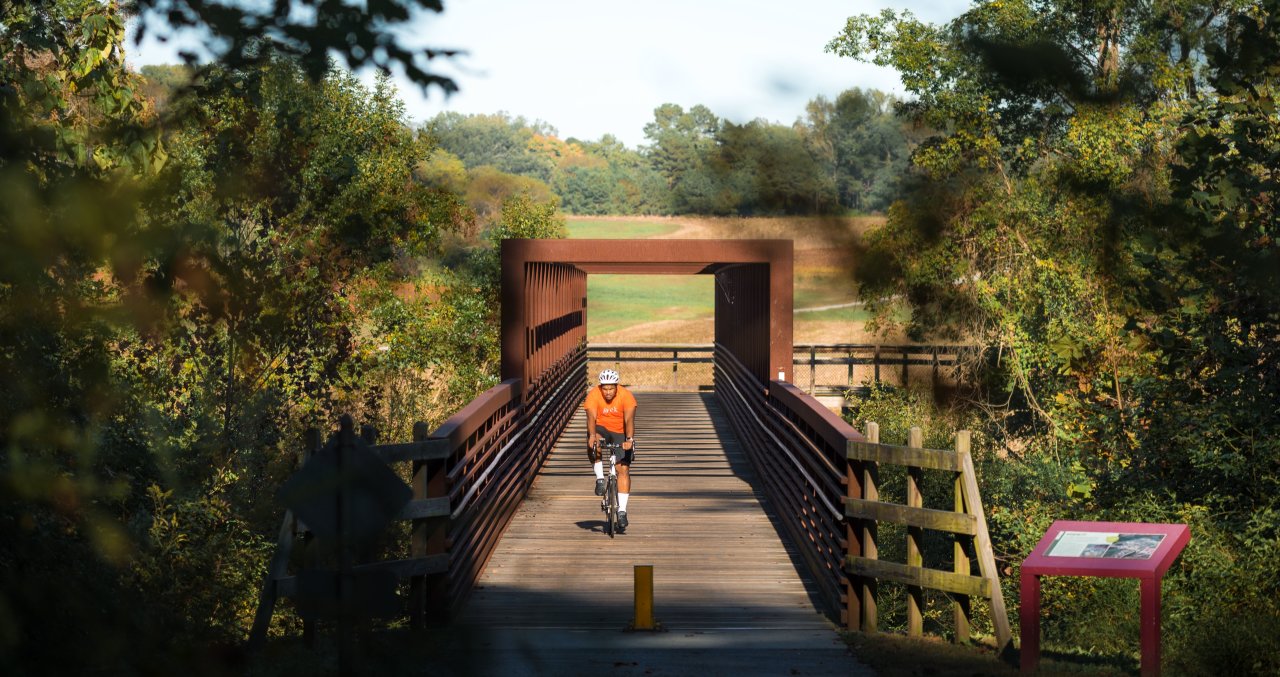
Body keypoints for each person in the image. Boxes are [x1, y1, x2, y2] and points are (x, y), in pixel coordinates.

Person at [584, 368, 637, 529]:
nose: (607, 392)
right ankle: (600, 479)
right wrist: (592, 436)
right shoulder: (593, 395)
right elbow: (591, 417)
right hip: (601, 428)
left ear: (617, 386)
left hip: (620, 431)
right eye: (605, 388)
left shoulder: (626, 396)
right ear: (601, 387)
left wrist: (629, 439)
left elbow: (629, 420)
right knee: (595, 443)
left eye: (611, 388)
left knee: (623, 470)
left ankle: (621, 510)